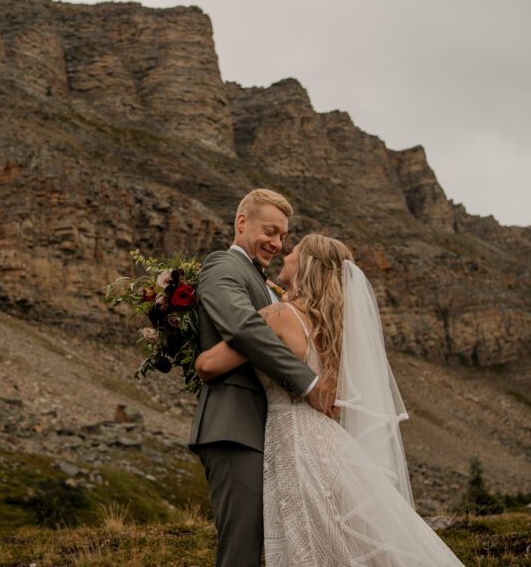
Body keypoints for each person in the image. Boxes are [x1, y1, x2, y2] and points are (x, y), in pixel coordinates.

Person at [196, 234, 464, 566]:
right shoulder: (339, 327)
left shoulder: (279, 315)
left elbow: (207, 365)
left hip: (294, 443)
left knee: (308, 544)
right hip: (331, 444)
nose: (286, 254)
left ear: (306, 264)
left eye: (293, 251)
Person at [189, 190, 339, 567]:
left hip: (269, 429)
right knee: (242, 547)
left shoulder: (269, 286)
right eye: (269, 231)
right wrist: (307, 383)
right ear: (242, 222)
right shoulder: (222, 266)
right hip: (235, 426)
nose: (276, 243)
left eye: (283, 237)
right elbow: (242, 326)